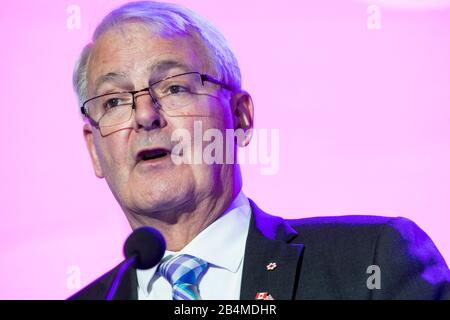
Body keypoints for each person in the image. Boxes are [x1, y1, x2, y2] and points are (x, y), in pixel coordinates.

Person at [69, 1, 450, 300]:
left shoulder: (371, 261)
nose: (146, 115)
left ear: (240, 118)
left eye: (174, 88)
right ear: (93, 149)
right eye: (114, 101)